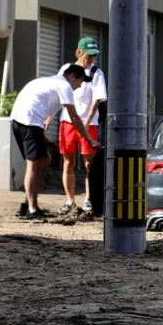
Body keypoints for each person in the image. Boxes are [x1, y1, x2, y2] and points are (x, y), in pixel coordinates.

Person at [10, 65, 101, 219]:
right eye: (79, 82)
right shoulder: (64, 85)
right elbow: (74, 117)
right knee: (34, 164)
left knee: (46, 160)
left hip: (20, 121)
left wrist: (47, 142)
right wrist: (90, 139)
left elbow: (36, 115)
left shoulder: (49, 82)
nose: (78, 87)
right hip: (28, 122)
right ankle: (32, 210)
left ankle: (28, 203)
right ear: (72, 76)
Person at [48, 38, 107, 215]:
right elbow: (57, 94)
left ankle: (88, 199)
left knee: (90, 163)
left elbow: (96, 100)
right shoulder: (67, 69)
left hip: (89, 123)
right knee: (68, 162)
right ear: (79, 53)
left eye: (94, 56)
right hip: (68, 121)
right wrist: (49, 117)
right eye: (89, 55)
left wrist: (87, 122)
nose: (91, 59)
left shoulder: (96, 73)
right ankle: (70, 200)